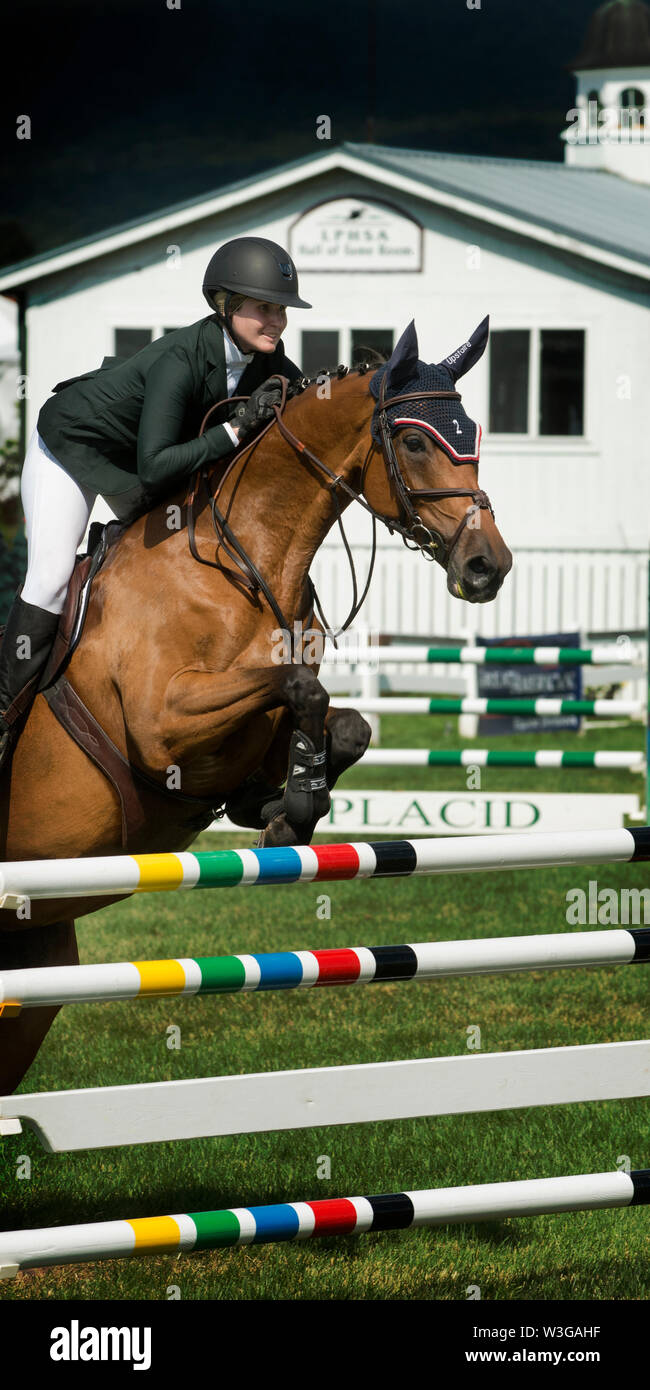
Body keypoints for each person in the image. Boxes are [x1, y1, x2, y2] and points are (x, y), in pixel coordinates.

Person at [0, 236, 309, 768]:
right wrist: (237, 429)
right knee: (49, 578)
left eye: (280, 310)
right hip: (76, 446)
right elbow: (157, 466)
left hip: (143, 462)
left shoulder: (270, 362)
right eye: (264, 308)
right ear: (224, 305)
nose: (276, 321)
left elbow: (305, 411)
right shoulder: (180, 359)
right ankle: (3, 719)